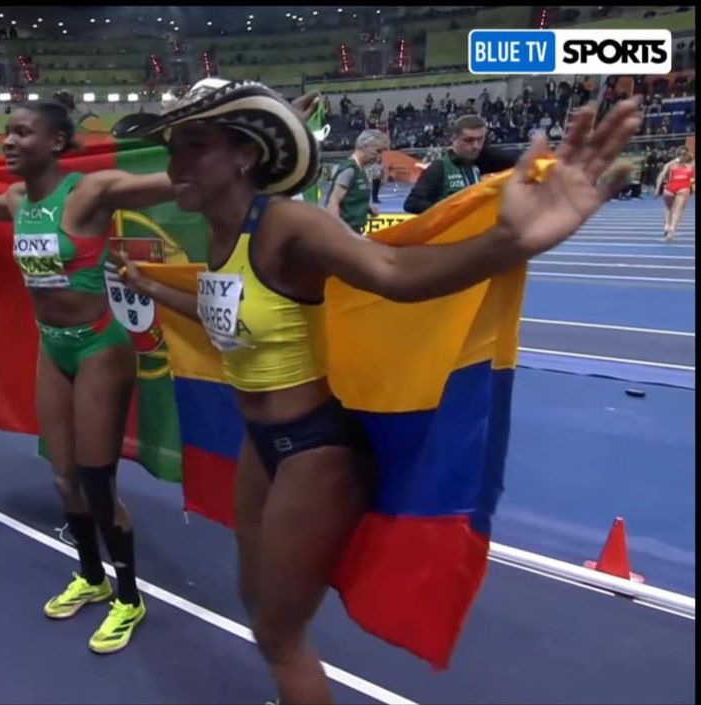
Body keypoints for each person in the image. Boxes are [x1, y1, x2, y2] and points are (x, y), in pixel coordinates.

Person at [110, 78, 641, 704]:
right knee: (258, 601)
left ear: (244, 154)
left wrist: (510, 240)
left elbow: (392, 273)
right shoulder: (219, 237)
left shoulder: (288, 225)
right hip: (261, 444)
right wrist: (156, 290)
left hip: (313, 451)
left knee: (281, 636)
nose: (174, 166)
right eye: (173, 149)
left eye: (192, 145)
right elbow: (226, 310)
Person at [0, 101, 171, 654]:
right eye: (6, 133)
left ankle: (128, 600)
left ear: (57, 142)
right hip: (52, 349)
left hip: (99, 350)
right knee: (63, 479)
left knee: (97, 484)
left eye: (21, 133)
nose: (7, 142)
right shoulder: (16, 199)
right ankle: (91, 576)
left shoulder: (89, 192)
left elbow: (174, 182)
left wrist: (235, 149)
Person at [403, 114, 520, 214]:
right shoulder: (440, 167)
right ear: (454, 138)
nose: (476, 146)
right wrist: (451, 211)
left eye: (480, 139)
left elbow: (520, 163)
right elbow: (412, 204)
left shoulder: (483, 159)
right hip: (450, 235)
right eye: (468, 140)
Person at [323, 129, 388, 234]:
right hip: (345, 232)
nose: (378, 156)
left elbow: (351, 197)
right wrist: (336, 232)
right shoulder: (349, 170)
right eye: (377, 151)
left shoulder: (360, 170)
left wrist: (367, 207)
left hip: (355, 230)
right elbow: (333, 201)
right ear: (366, 146)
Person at [654, 149, 694, 242]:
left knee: (668, 208)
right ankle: (672, 229)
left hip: (669, 187)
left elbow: (661, 176)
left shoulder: (670, 164)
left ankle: (666, 226)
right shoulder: (692, 164)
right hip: (683, 187)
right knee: (678, 211)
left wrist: (657, 189)